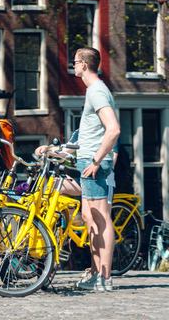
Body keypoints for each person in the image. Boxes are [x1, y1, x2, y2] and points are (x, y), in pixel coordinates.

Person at [70, 48, 120, 291]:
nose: (73, 66)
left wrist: (97, 160)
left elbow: (114, 129)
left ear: (83, 65)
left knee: (100, 218)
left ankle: (105, 277)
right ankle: (96, 274)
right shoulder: (94, 91)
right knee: (91, 218)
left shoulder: (97, 91)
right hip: (87, 160)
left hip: (94, 162)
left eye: (75, 62)